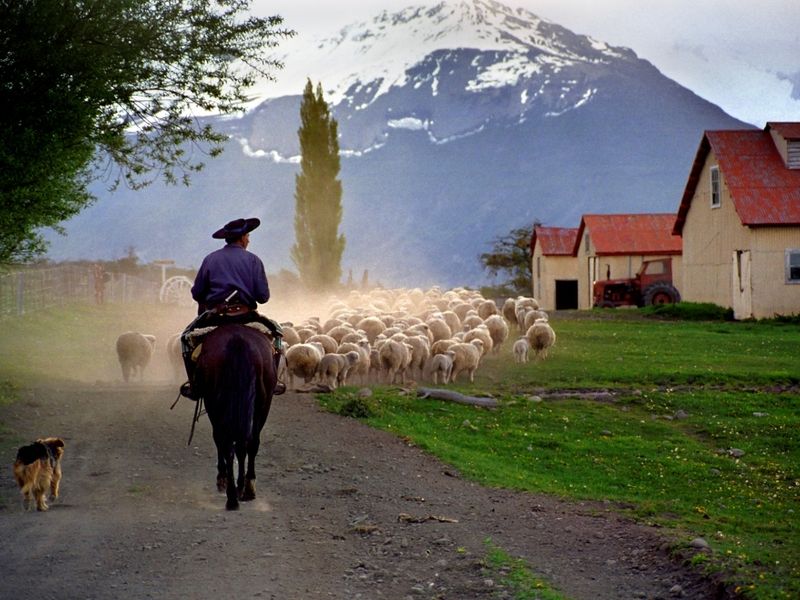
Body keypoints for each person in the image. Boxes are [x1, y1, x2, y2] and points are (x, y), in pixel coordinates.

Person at [179, 217, 285, 399]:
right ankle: (273, 383)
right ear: (242, 237)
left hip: (216, 316)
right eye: (248, 235)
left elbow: (197, 293)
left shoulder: (210, 259)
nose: (249, 239)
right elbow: (263, 297)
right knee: (277, 334)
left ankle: (195, 386)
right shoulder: (254, 260)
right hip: (246, 316)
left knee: (185, 339)